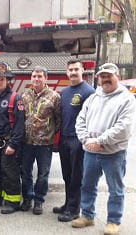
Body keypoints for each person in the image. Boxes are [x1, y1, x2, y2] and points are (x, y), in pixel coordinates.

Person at [72, 63, 136, 235]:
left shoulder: (127, 99)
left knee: (115, 189)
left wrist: (100, 140)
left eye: (109, 75)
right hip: (91, 152)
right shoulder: (93, 97)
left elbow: (124, 128)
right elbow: (80, 120)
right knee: (87, 185)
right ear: (98, 78)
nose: (106, 79)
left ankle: (113, 222)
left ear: (118, 77)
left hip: (113, 153)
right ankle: (87, 215)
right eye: (103, 76)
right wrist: (86, 140)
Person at [53, 60, 95, 222]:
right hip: (64, 138)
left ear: (82, 70)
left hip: (78, 140)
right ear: (67, 72)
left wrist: (86, 139)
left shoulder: (89, 92)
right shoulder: (65, 92)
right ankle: (67, 204)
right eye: (70, 69)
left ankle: (74, 209)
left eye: (76, 69)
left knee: (76, 176)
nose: (73, 72)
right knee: (67, 175)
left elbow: (92, 118)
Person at [0, 64, 25, 214]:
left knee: (10, 173)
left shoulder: (15, 99)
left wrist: (13, 145)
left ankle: (12, 202)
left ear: (8, 81)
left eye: (1, 79)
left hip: (8, 143)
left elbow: (20, 125)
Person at [20, 66, 61, 215]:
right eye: (34, 76)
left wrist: (48, 133)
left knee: (43, 174)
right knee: (25, 172)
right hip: (27, 142)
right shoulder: (25, 96)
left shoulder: (54, 96)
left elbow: (58, 120)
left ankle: (39, 201)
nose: (36, 79)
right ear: (31, 78)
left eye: (40, 76)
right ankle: (27, 198)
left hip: (44, 144)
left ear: (46, 78)